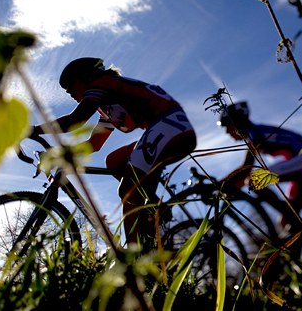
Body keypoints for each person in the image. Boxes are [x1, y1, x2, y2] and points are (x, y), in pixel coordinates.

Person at [29, 57, 197, 250]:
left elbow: (76, 119)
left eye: (71, 87)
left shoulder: (103, 84)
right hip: (169, 128)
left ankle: (133, 258)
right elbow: (94, 144)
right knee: (114, 160)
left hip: (170, 126)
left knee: (127, 191)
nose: (70, 94)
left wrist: (33, 130)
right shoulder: (109, 103)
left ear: (87, 77)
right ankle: (149, 210)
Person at [218, 101, 302, 228]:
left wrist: (218, 185)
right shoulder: (256, 132)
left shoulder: (253, 133)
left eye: (227, 126)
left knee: (254, 181)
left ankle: (292, 217)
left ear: (237, 123)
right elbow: (242, 177)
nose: (227, 132)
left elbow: (246, 169)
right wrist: (228, 188)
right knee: (286, 222)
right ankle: (299, 229)